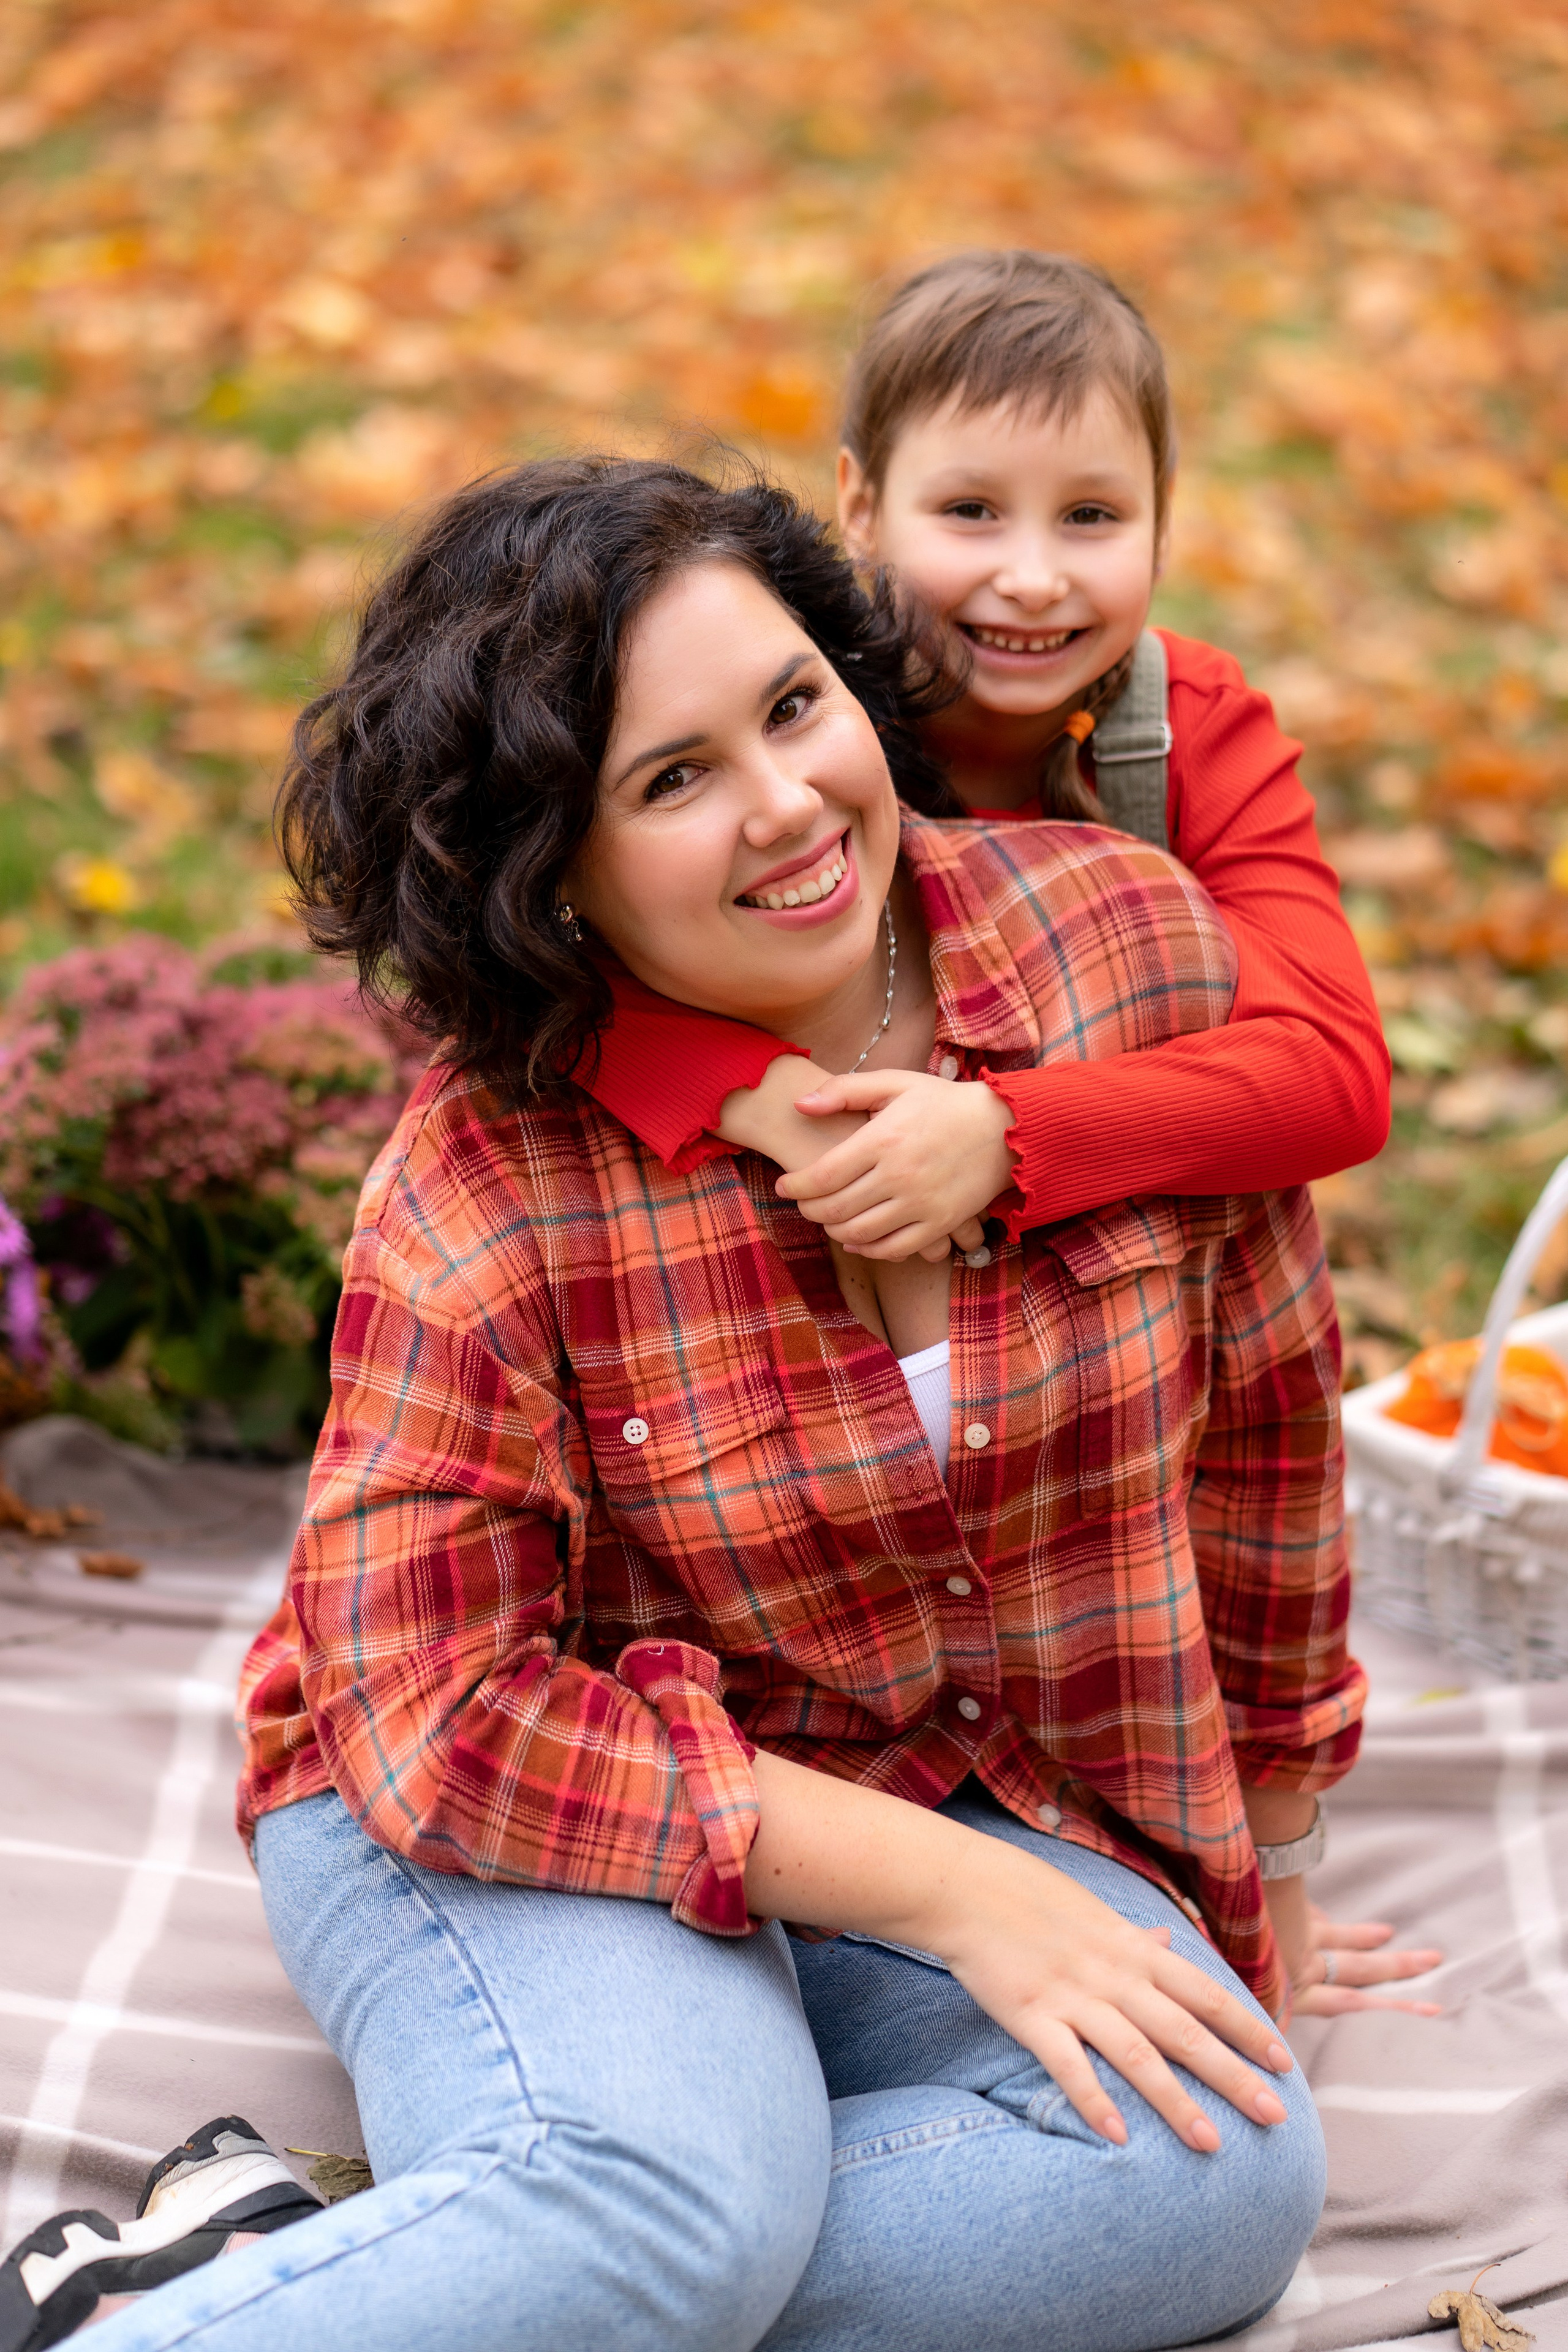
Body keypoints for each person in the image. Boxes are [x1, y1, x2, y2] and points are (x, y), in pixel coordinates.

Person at [74, 457, 1389, 2352]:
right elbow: (433, 1712)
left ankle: (364, 2263)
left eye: (791, 707)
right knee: (684, 2196)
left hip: (950, 1775)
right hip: (525, 1792)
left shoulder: (1133, 954)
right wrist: (946, 1895)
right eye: (672, 779)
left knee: (1216, 2160)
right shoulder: (490, 1171)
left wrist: (1266, 1849)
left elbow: (1269, 1426)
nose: (788, 807)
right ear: (557, 872)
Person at [576, 249, 1392, 1283]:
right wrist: (761, 1098)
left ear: (1162, 518)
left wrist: (1010, 1137)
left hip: (1122, 1292)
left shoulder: (1190, 729)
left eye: (1092, 516)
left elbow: (1335, 1073)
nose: (1035, 579)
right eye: (971, 511)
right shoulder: (795, 728)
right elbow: (547, 976)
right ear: (860, 505)